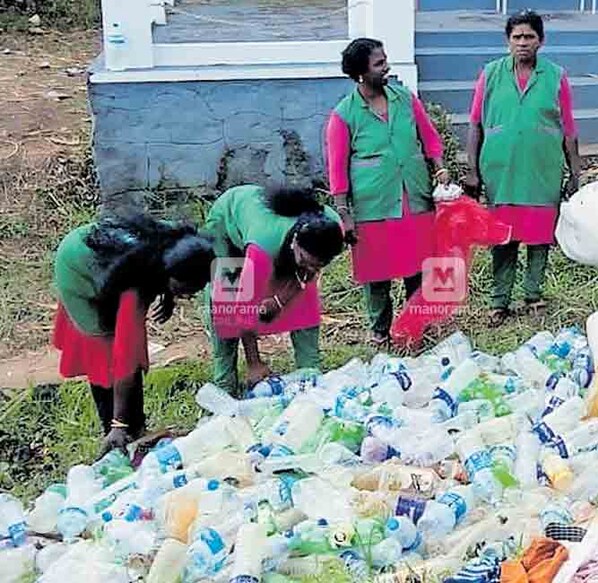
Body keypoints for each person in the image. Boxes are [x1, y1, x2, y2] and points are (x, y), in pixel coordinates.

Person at [52, 214, 214, 451]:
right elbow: (124, 360)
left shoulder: (177, 242)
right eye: (184, 290)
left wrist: (168, 295)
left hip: (110, 258)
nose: (188, 296)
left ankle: (135, 429)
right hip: (78, 268)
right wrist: (119, 424)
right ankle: (115, 431)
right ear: (168, 275)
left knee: (128, 354)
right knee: (105, 355)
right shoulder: (133, 291)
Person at [326, 37, 450, 345]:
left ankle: (415, 325)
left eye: (385, 60)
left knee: (417, 266)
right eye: (379, 63)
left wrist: (440, 169)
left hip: (414, 197)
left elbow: (430, 139)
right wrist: (344, 213)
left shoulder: (405, 99)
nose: (387, 67)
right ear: (360, 73)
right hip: (373, 206)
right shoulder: (343, 115)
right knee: (376, 273)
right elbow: (337, 169)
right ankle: (380, 331)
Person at [463, 10, 583, 327]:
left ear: (540, 41)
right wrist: (472, 170)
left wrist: (575, 172)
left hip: (543, 169)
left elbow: (568, 129)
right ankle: (499, 301)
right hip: (500, 171)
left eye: (529, 36)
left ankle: (533, 294)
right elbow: (475, 125)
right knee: (503, 237)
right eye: (517, 37)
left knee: (540, 235)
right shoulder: (490, 74)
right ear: (508, 42)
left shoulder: (556, 76)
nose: (523, 43)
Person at [204, 184, 344, 391]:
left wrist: (280, 301)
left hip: (276, 238)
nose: (312, 268)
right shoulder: (262, 249)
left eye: (319, 264)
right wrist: (254, 363)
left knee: (306, 302)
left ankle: (311, 371)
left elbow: (306, 276)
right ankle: (225, 380)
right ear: (296, 242)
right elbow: (244, 308)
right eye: (306, 260)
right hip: (227, 226)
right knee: (226, 298)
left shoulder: (331, 228)